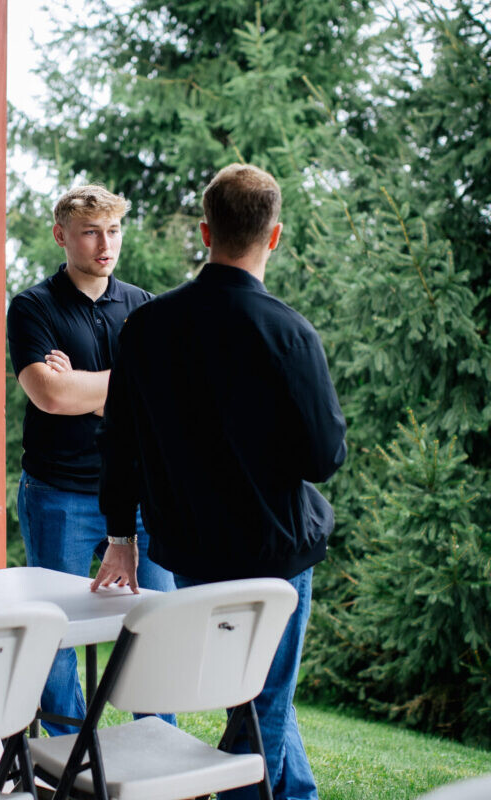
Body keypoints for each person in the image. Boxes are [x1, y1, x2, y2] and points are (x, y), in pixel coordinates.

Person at [92, 163, 347, 800]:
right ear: (276, 236)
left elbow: (118, 442)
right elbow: (323, 458)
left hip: (191, 551)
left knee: (254, 702)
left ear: (207, 231)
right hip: (274, 553)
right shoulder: (289, 332)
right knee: (262, 706)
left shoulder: (145, 327)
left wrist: (120, 535)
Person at [7, 184, 176, 737]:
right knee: (57, 632)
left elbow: (161, 397)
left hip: (139, 492)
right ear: (62, 236)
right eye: (90, 232)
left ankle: (158, 745)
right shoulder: (33, 307)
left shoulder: (142, 304)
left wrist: (86, 381)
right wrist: (122, 383)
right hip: (61, 493)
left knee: (156, 625)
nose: (106, 244)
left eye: (114, 230)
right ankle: (73, 758)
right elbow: (50, 397)